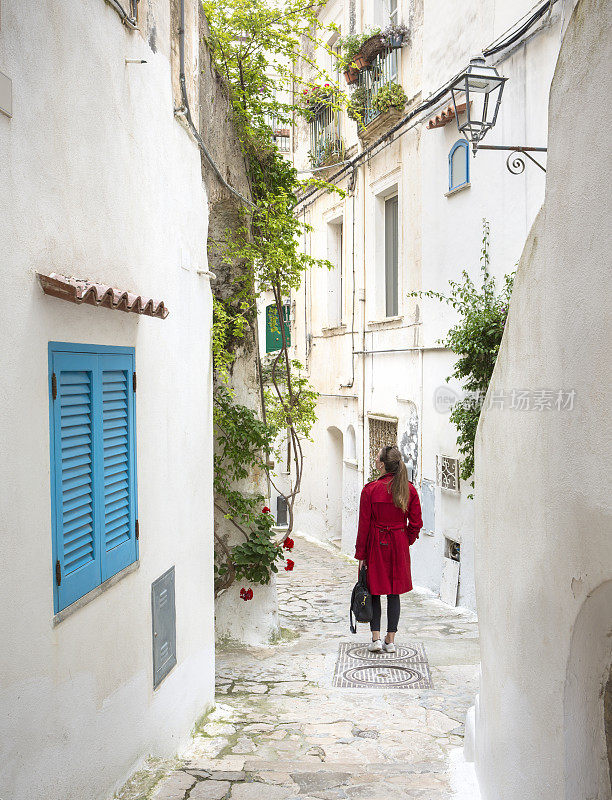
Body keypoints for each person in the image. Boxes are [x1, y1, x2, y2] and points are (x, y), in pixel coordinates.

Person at [354, 445, 423, 653]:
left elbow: (363, 526)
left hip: (376, 544)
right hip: (398, 544)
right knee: (394, 593)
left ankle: (375, 639)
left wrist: (361, 555)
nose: (375, 461)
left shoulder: (370, 490)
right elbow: (417, 523)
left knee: (374, 590)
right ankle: (390, 641)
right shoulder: (408, 489)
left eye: (377, 459)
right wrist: (404, 540)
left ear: (382, 465)